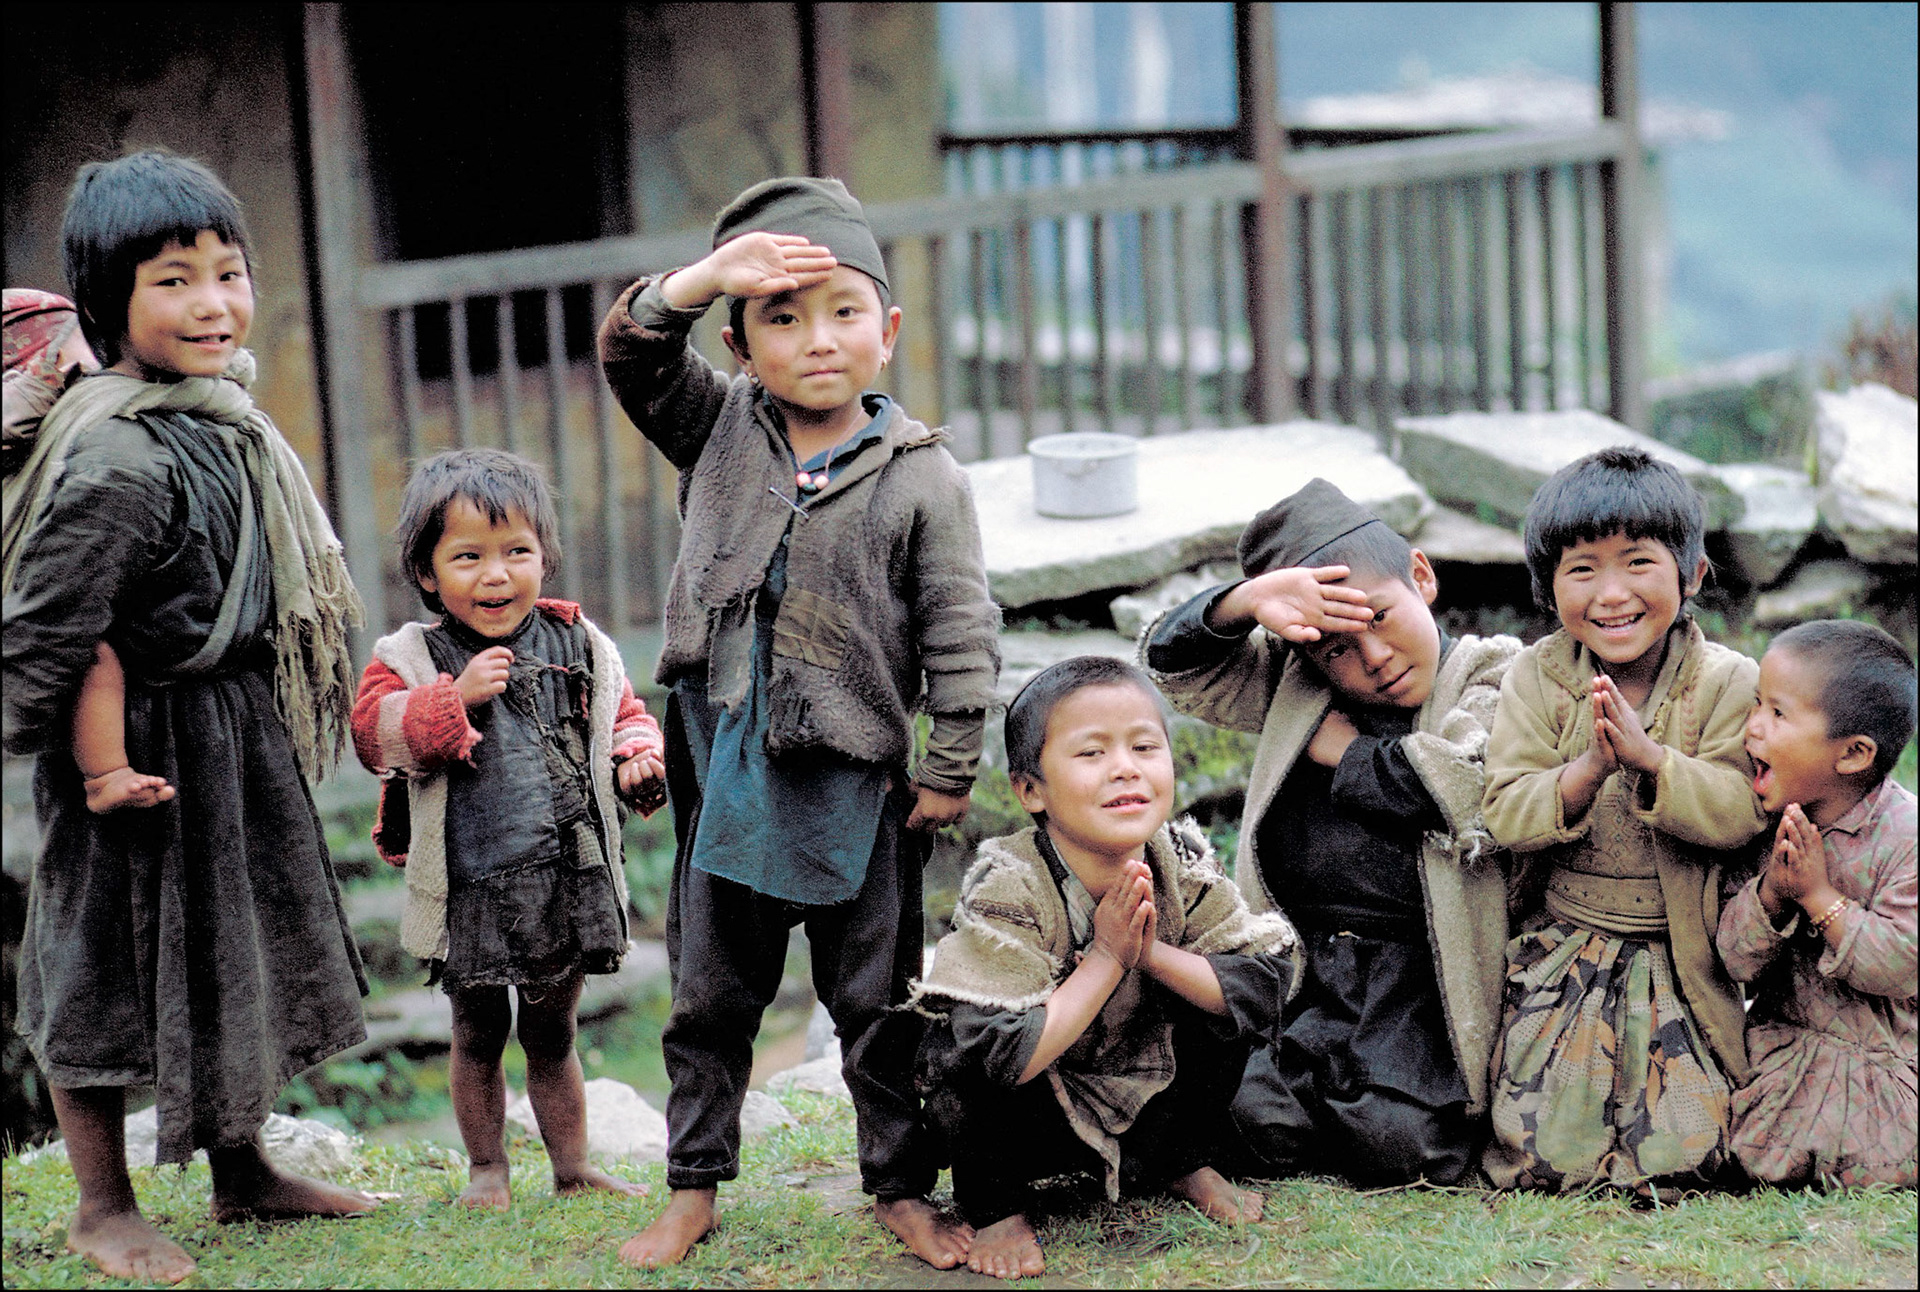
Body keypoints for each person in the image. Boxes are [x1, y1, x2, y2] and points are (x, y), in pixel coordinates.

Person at [596, 176, 999, 1269]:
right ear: (738, 343)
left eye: (843, 312)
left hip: (858, 778)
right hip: (726, 762)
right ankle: (692, 1188)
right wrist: (700, 279)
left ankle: (900, 1186)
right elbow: (633, 354)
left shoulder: (924, 477)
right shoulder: (718, 426)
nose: (818, 339)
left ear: (888, 329)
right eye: (781, 317)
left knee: (877, 999)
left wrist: (950, 765)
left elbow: (961, 630)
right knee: (709, 992)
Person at [2, 151, 373, 1284]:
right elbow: (44, 631)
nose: (213, 302)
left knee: (233, 950)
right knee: (95, 964)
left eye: (228, 271)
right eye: (173, 281)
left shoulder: (221, 417)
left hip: (231, 736)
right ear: (106, 301)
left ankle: (242, 1167)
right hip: (128, 754)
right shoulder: (117, 454)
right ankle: (102, 1206)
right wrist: (84, 756)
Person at [1141, 478, 1521, 1187]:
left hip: (1420, 979)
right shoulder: (1299, 684)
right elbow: (1175, 666)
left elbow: (1467, 788)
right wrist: (1245, 601)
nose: (1373, 657)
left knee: (1400, 1148)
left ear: (1421, 576)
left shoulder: (1492, 671)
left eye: (1380, 617)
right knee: (1247, 1122)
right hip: (1308, 970)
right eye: (1338, 649)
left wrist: (1342, 752)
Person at [909, 656, 1297, 1279]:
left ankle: (1181, 1161)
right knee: (964, 1061)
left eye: (1144, 747)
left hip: (1146, 1090)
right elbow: (1002, 1055)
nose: (1125, 768)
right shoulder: (1008, 882)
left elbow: (1261, 990)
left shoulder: (1181, 863)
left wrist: (1149, 953)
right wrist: (1107, 958)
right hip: (1034, 1114)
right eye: (1092, 753)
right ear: (1030, 790)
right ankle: (998, 1208)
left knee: (1224, 1000)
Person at [351, 448, 664, 1209]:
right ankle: (487, 1169)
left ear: (544, 557)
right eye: (468, 557)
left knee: (554, 1032)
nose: (496, 575)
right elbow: (373, 736)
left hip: (566, 873)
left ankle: (572, 1168)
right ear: (427, 573)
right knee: (478, 1031)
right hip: (472, 885)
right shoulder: (411, 657)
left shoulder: (578, 643)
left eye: (516, 552)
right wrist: (452, 698)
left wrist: (637, 757)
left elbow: (623, 713)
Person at [1480, 445, 1768, 1194]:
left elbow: (1743, 808)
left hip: (1679, 953)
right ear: (1547, 586)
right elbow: (1506, 808)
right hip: (1567, 948)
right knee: (1544, 1154)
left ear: (1691, 574)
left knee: (1692, 1154)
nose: (1611, 594)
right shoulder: (1538, 676)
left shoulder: (1726, 681)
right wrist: (1588, 769)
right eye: (1582, 570)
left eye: (1638, 563)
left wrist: (1653, 763)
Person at [1718, 619, 1916, 1188]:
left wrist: (1818, 896)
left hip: (1881, 1062)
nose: (1753, 726)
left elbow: (1900, 964)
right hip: (1780, 1044)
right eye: (1757, 704)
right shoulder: (1764, 826)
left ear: (1852, 754)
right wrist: (1774, 894)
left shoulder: (1906, 837)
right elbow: (1733, 958)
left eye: (1778, 713)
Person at [2, 290, 170, 814]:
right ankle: (105, 775)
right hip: (23, 562)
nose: (89, 376)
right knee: (93, 655)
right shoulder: (30, 395)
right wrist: (49, 378)